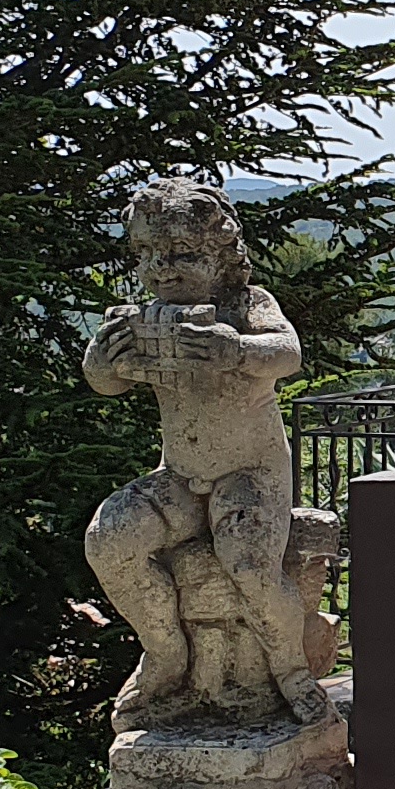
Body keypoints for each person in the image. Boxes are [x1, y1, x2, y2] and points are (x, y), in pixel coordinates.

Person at [83, 175, 319, 729]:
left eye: (182, 253)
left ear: (221, 254)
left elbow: (287, 352)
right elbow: (107, 383)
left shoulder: (247, 304)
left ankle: (291, 670)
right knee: (107, 541)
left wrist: (236, 349)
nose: (161, 268)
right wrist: (102, 362)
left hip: (250, 474)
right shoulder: (147, 316)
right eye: (147, 253)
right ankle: (165, 653)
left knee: (249, 567)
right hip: (180, 477)